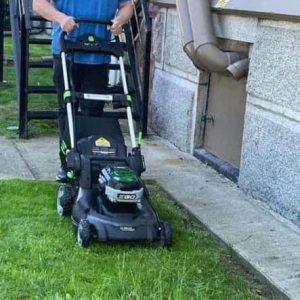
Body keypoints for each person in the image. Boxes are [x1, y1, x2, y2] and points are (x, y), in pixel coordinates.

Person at [32, 0, 133, 181]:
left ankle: (92, 160)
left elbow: (128, 5)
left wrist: (120, 20)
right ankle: (68, 163)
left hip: (100, 53)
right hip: (67, 50)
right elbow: (39, 4)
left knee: (94, 111)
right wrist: (61, 18)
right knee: (67, 108)